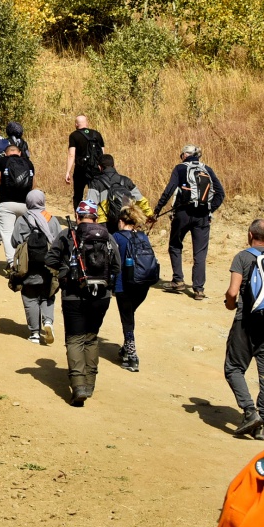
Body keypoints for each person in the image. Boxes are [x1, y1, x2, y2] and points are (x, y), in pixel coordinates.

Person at [46, 201, 120, 406]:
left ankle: (78, 386)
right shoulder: (108, 237)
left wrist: (64, 271)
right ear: (96, 218)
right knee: (91, 337)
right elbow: (117, 266)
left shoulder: (67, 234)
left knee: (75, 339)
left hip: (73, 295)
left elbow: (50, 259)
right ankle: (89, 384)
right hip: (102, 296)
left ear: (78, 216)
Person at [224, 219, 264, 440]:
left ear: (250, 234)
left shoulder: (242, 257)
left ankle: (250, 412)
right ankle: (263, 423)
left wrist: (230, 304)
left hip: (247, 322)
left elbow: (233, 292)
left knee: (233, 368)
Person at [153, 144, 225, 301]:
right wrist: (209, 209)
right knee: (200, 253)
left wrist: (157, 211)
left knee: (175, 245)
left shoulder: (180, 168)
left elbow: (169, 190)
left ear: (185, 155)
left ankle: (178, 280)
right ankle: (198, 289)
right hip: (202, 216)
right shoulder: (207, 169)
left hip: (183, 213)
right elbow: (221, 193)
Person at [15, 189, 62, 344]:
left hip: (28, 265)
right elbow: (58, 241)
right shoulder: (52, 219)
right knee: (47, 294)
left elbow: (15, 241)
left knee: (29, 297)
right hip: (48, 264)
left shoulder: (22, 220)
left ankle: (35, 333)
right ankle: (48, 322)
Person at [110, 209, 154, 372]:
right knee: (129, 315)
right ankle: (125, 348)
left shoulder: (117, 237)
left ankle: (132, 356)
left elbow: (112, 261)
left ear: (121, 221)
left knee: (127, 319)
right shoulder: (143, 236)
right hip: (143, 285)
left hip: (124, 285)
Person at [0, 139, 36, 268]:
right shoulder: (28, 163)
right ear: (20, 153)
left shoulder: (1, 161)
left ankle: (12, 264)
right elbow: (33, 185)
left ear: (6, 153)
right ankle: (24, 262)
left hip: (6, 203)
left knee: (7, 233)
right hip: (25, 204)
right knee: (23, 234)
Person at [84, 154, 146, 228]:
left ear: (99, 167)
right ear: (114, 165)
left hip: (104, 223)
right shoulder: (126, 181)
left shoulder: (96, 183)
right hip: (125, 222)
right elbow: (141, 200)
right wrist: (149, 215)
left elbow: (90, 205)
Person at [63, 114, 105, 210]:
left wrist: (68, 171)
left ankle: (79, 219)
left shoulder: (74, 135)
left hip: (81, 169)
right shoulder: (97, 134)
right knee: (96, 194)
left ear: (76, 124)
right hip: (96, 170)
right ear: (87, 123)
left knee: (78, 195)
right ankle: (96, 218)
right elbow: (102, 153)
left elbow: (71, 155)